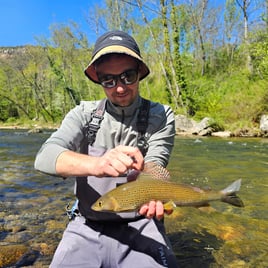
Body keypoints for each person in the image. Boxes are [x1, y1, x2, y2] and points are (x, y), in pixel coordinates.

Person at [35, 30, 178, 268]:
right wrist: (97, 164)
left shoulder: (161, 115)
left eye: (127, 76)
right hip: (86, 225)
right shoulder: (84, 114)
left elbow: (157, 161)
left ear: (139, 74)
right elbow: (44, 157)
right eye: (108, 80)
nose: (119, 88)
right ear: (99, 80)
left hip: (142, 222)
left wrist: (152, 188)